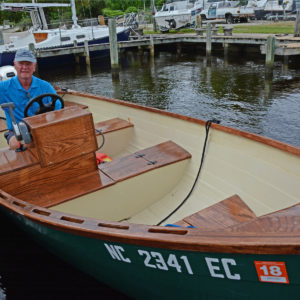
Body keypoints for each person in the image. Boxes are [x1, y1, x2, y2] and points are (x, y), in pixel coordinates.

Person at [0, 48, 58, 150]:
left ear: (34, 66)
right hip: (16, 132)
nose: (24, 67)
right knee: (16, 144)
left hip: (42, 128)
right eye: (21, 63)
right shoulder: (3, 87)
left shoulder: (46, 86)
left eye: (28, 64)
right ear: (15, 65)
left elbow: (60, 110)